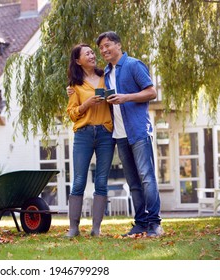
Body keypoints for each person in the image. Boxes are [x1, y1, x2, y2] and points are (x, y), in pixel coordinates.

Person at [67, 31, 163, 237]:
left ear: (118, 45)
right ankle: (140, 223)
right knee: (133, 181)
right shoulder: (106, 74)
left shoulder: (133, 65)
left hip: (136, 131)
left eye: (106, 45)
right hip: (118, 134)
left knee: (146, 177)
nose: (102, 51)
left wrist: (126, 97)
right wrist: (79, 97)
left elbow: (152, 92)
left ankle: (154, 223)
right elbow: (76, 107)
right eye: (100, 48)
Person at [65, 43, 115, 237]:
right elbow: (72, 114)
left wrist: (111, 99)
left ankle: (96, 229)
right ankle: (74, 228)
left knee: (102, 181)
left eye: (93, 52)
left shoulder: (106, 77)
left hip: (105, 133)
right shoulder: (74, 86)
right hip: (83, 134)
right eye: (88, 54)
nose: (93, 55)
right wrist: (86, 103)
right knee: (78, 181)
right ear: (78, 61)